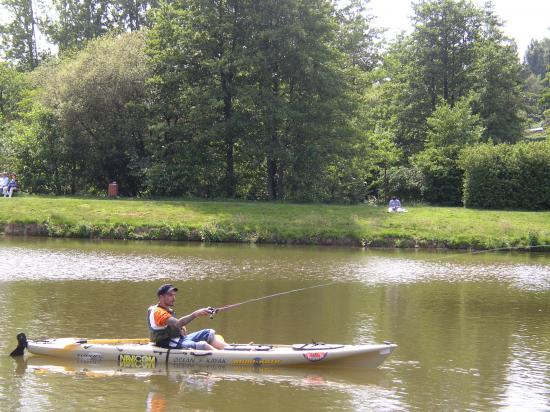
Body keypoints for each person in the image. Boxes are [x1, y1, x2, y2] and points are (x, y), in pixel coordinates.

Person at [147, 284, 226, 350]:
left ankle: (230, 350)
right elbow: (177, 324)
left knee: (208, 333)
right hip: (166, 343)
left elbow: (175, 325)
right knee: (203, 345)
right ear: (161, 297)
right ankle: (226, 357)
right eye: (170, 295)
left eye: (174, 295)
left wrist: (182, 328)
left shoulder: (166, 309)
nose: (174, 298)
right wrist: (195, 314)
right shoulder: (158, 312)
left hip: (179, 339)